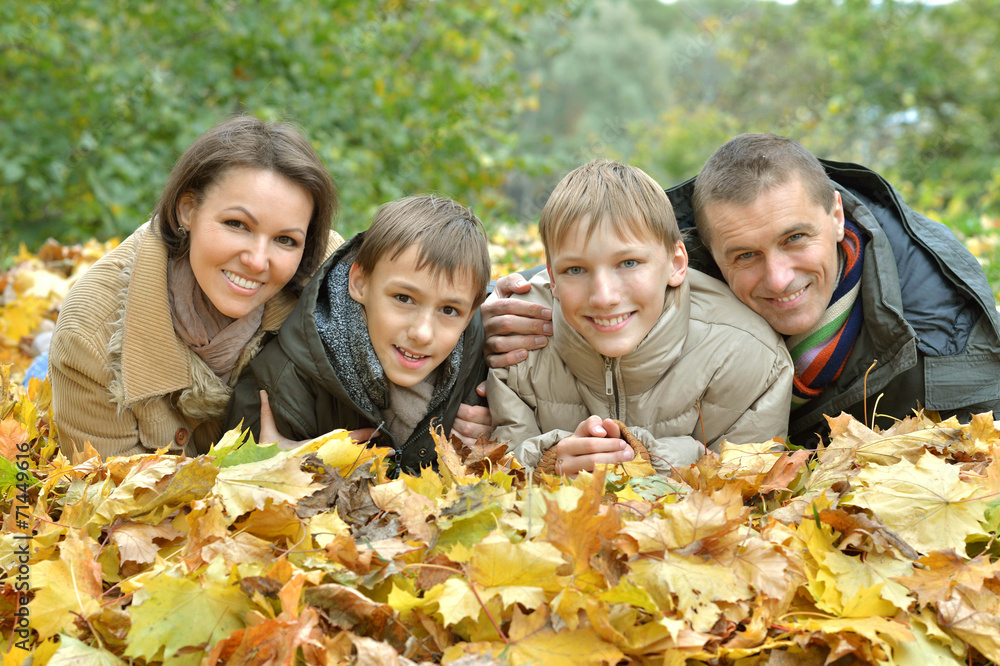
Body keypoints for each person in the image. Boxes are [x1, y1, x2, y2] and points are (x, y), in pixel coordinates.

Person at [484, 134, 1000, 445]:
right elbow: (584, 265)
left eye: (795, 239)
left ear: (836, 216)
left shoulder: (945, 332)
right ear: (701, 249)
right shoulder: (683, 255)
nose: (778, 279)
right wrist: (482, 319)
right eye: (745, 256)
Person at [50, 116, 342, 458]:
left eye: (285, 240)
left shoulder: (332, 281)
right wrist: (267, 467)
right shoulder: (90, 336)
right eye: (237, 224)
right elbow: (117, 489)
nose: (257, 261)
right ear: (188, 210)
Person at [487, 159, 792, 475]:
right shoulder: (516, 339)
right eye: (575, 270)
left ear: (675, 264)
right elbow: (496, 466)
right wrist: (545, 462)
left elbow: (750, 483)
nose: (604, 297)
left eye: (628, 263)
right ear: (553, 279)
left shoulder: (750, 356)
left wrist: (645, 459)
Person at [225, 195, 490, 475]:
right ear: (360, 283)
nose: (422, 333)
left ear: (470, 314)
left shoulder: (482, 362)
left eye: (449, 310)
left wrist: (492, 438)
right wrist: (275, 470)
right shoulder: (282, 386)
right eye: (403, 298)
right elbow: (231, 486)